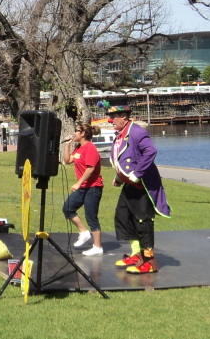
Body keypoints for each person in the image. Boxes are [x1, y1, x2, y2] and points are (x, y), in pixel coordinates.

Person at [108, 105, 171, 274]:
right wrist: (119, 177)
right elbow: (124, 158)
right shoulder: (121, 134)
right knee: (123, 217)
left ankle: (149, 262)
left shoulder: (136, 132)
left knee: (143, 222)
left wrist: (137, 173)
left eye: (114, 117)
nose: (111, 120)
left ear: (124, 116)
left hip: (142, 185)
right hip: (129, 184)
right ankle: (137, 254)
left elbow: (150, 151)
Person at [61, 123, 105, 256]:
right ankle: (84, 232)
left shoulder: (90, 148)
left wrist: (78, 183)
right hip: (83, 187)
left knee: (91, 217)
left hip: (93, 187)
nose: (74, 133)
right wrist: (67, 145)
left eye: (76, 131)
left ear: (83, 134)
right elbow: (67, 160)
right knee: (68, 208)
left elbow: (90, 169)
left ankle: (97, 247)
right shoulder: (79, 148)